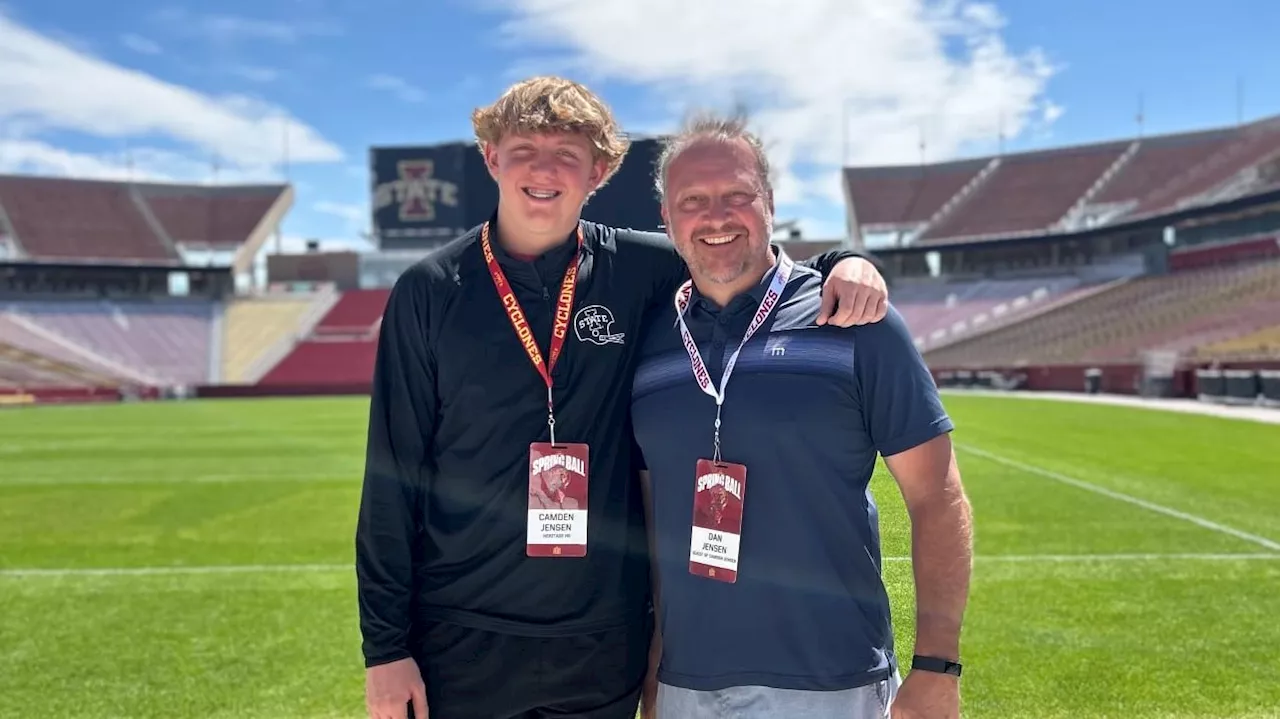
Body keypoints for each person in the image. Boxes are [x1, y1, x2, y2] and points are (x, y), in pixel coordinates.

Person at [354, 76, 891, 719]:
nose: (543, 170)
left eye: (567, 153)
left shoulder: (643, 270)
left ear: (600, 171)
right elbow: (391, 479)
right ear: (492, 158)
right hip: (461, 639)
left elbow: (743, 253)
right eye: (524, 149)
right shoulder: (429, 290)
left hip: (603, 644)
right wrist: (385, 650)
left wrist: (843, 261)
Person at [630, 112, 973, 719]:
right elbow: (656, 513)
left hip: (830, 682)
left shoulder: (852, 321)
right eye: (693, 200)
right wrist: (657, 670)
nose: (716, 216)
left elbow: (937, 497)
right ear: (666, 218)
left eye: (738, 195)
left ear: (769, 203)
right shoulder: (650, 338)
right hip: (687, 684)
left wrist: (937, 667)